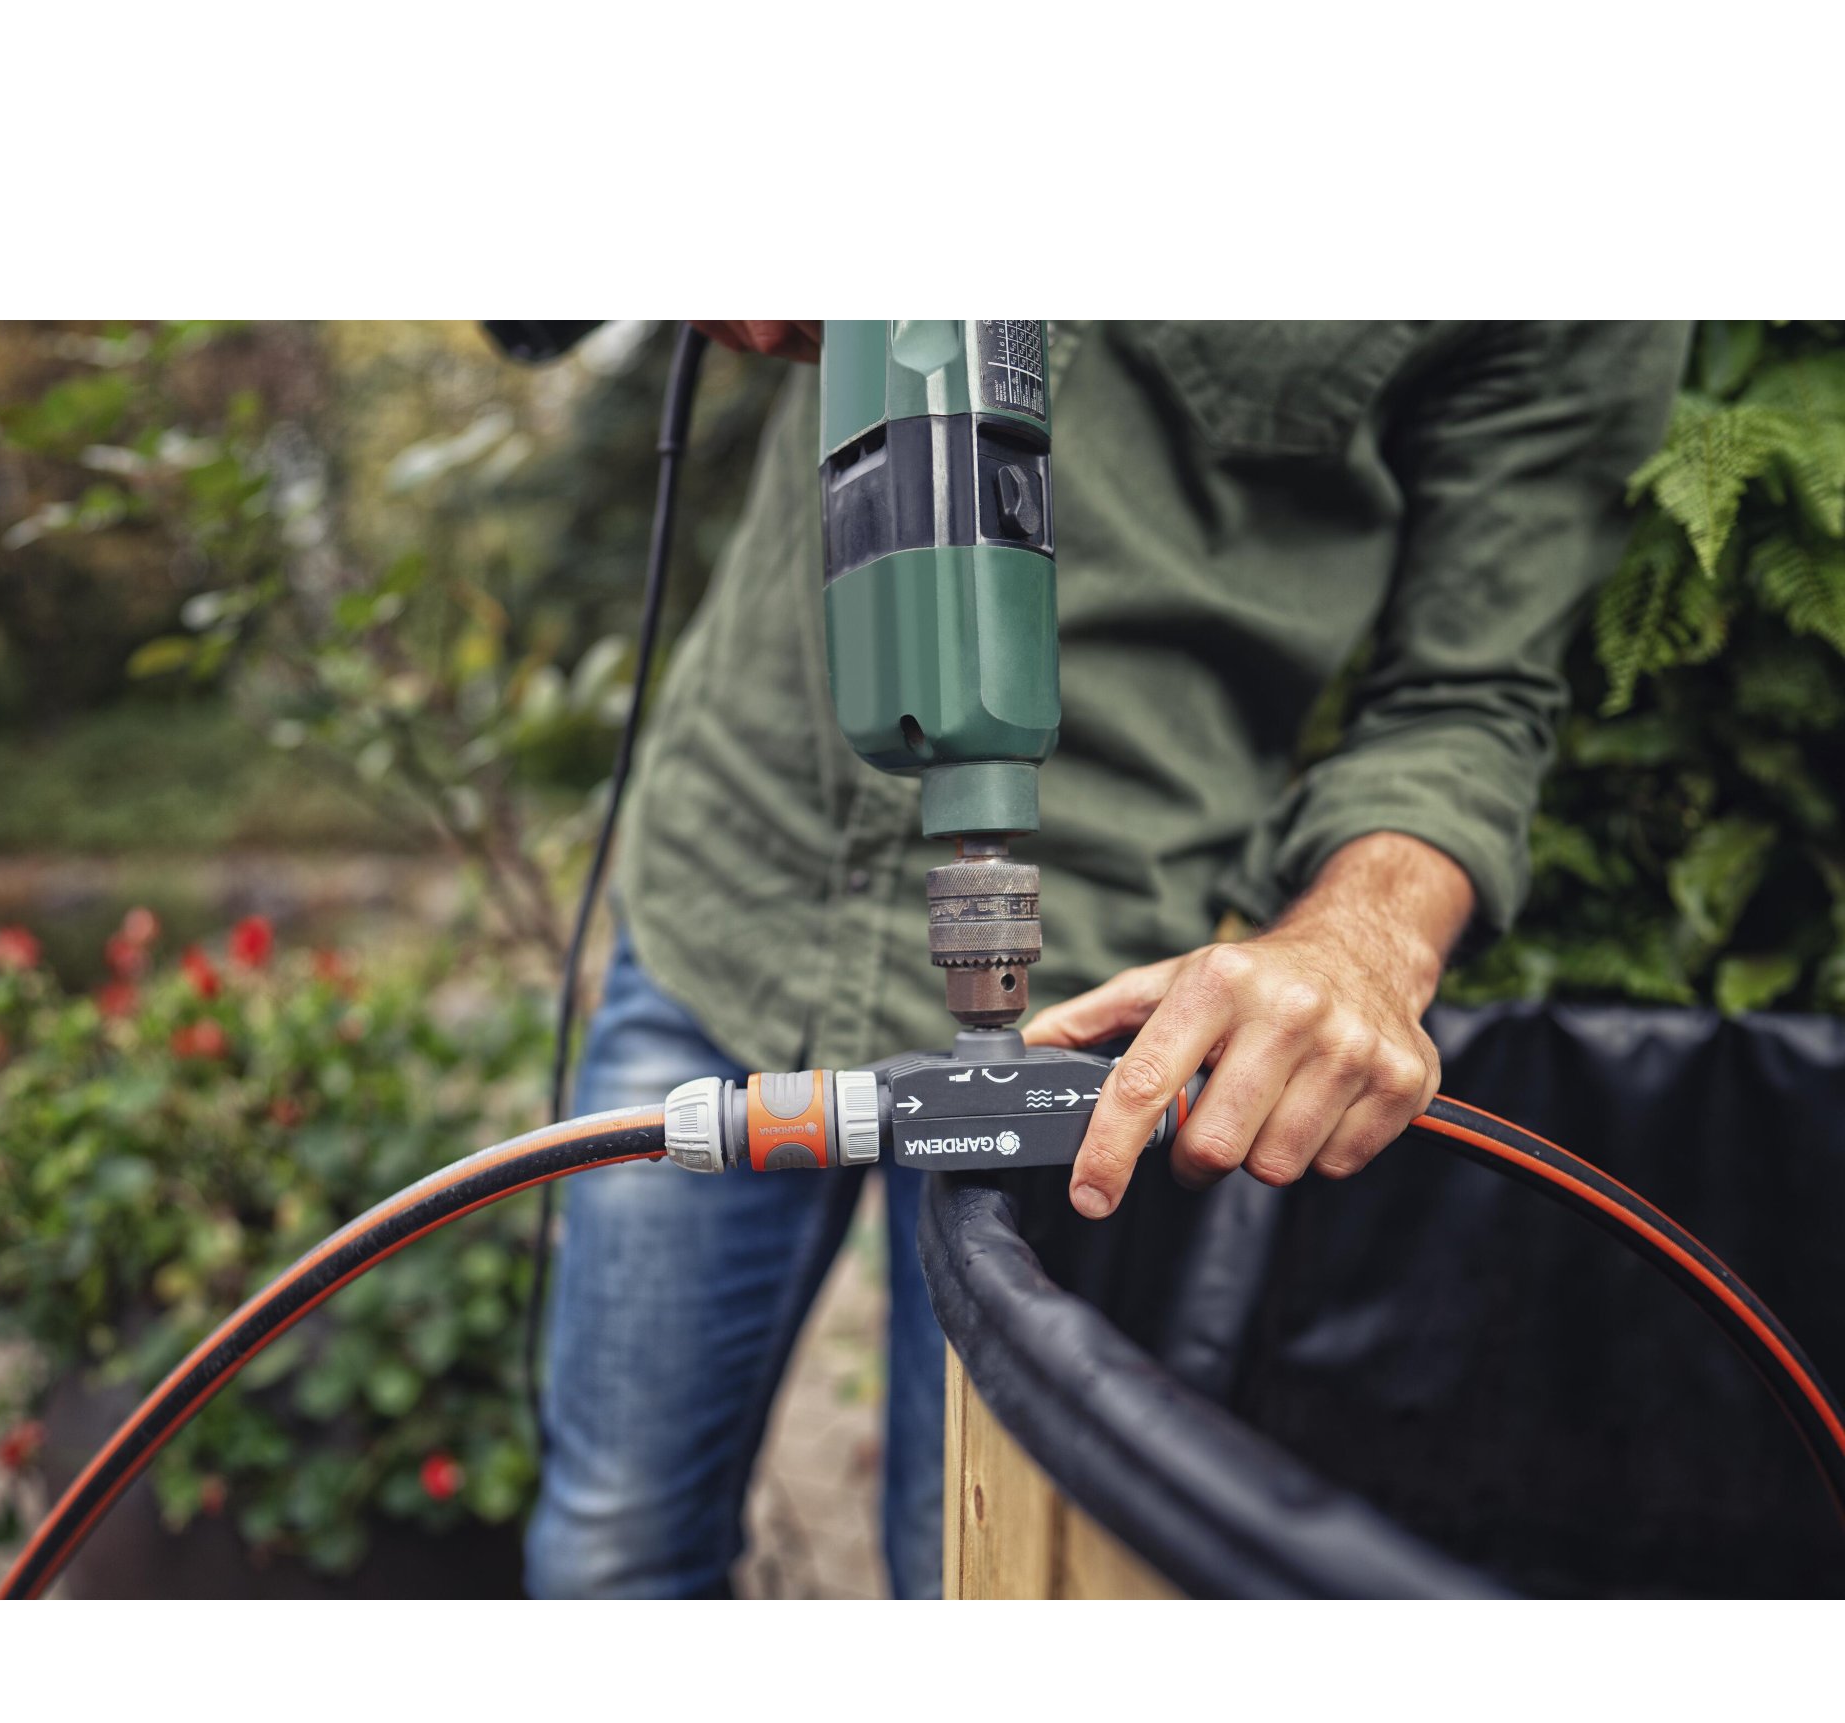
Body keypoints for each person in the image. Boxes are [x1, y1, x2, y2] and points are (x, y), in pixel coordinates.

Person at [524, 320, 1691, 1599]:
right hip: (727, 890)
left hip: (1099, 1031)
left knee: (974, 1576)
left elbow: (1471, 696)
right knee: (612, 1548)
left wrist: (1362, 943)